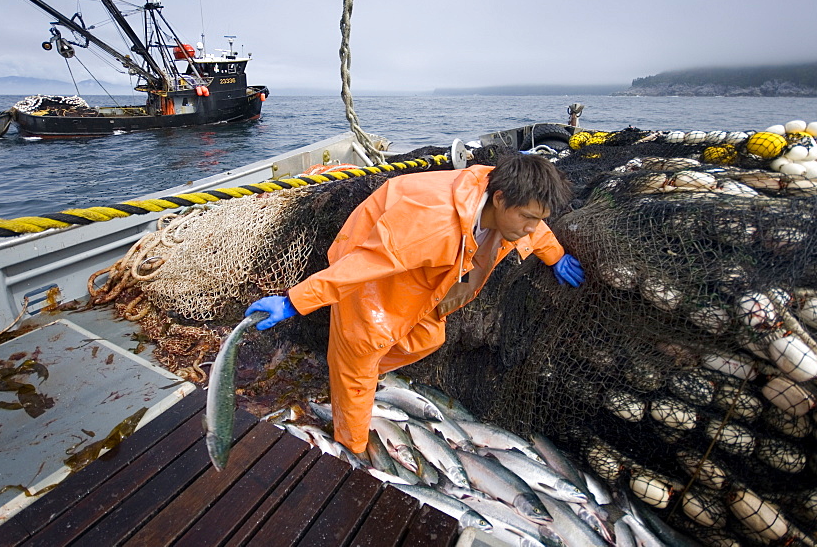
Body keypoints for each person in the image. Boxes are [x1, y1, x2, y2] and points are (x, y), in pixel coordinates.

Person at [245, 153, 584, 454]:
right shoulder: (432, 225)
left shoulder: (513, 202)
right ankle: (351, 443)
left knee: (427, 337)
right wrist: (294, 301)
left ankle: (358, 376)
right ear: (498, 199)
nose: (532, 228)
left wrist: (555, 258)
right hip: (375, 252)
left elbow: (535, 230)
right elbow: (360, 268)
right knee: (365, 345)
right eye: (527, 218)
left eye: (538, 218)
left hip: (425, 258)